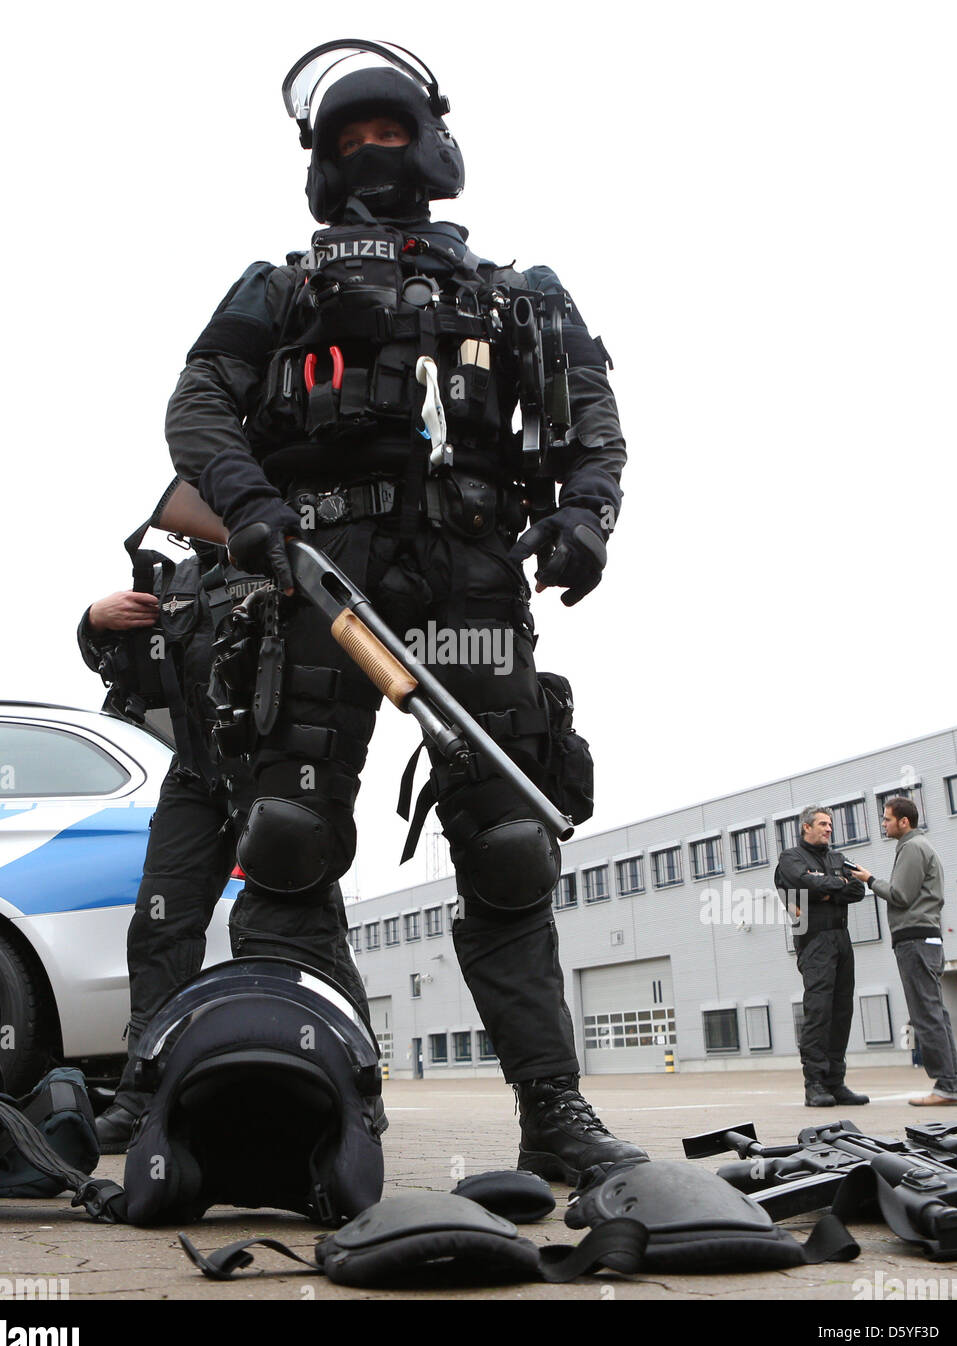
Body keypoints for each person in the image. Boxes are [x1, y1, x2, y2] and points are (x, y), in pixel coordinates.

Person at [162, 41, 644, 1181]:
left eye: (389, 134)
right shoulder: (276, 288)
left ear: (429, 147)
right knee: (287, 839)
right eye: (351, 141)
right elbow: (197, 405)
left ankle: (555, 1114)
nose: (373, 155)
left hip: (473, 577)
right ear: (326, 165)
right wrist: (255, 512)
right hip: (321, 579)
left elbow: (593, 419)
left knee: (513, 844)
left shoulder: (517, 294)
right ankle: (317, 1103)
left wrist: (585, 517)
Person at [79, 537, 359, 1151]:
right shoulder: (177, 580)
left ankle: (352, 1088)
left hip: (274, 770)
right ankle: (143, 1095)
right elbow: (130, 671)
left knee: (303, 930)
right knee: (158, 928)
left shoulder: (291, 554)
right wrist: (93, 624)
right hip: (195, 774)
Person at [849, 796, 957, 1106]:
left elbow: (900, 895)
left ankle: (947, 1088)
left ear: (904, 821)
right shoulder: (917, 847)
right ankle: (951, 1083)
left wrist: (869, 879)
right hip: (924, 940)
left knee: (926, 1015)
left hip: (915, 940)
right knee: (934, 1013)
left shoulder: (913, 848)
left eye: (887, 819)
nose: (883, 824)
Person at [775, 805, 867, 1106]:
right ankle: (814, 1084)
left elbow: (857, 890)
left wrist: (827, 888)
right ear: (806, 827)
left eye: (830, 825)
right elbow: (801, 883)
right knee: (819, 1010)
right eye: (824, 824)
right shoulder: (791, 858)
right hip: (814, 939)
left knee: (842, 1011)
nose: (829, 829)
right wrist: (833, 885)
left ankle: (836, 1082)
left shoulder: (837, 858)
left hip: (842, 938)